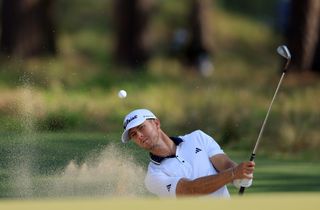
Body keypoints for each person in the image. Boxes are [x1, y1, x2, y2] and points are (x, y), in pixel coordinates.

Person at [121, 108, 255, 198]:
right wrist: (232, 174)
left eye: (141, 127)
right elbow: (190, 190)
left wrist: (240, 176)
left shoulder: (198, 137)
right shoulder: (154, 176)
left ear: (156, 123)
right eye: (133, 134)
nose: (139, 135)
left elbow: (224, 163)